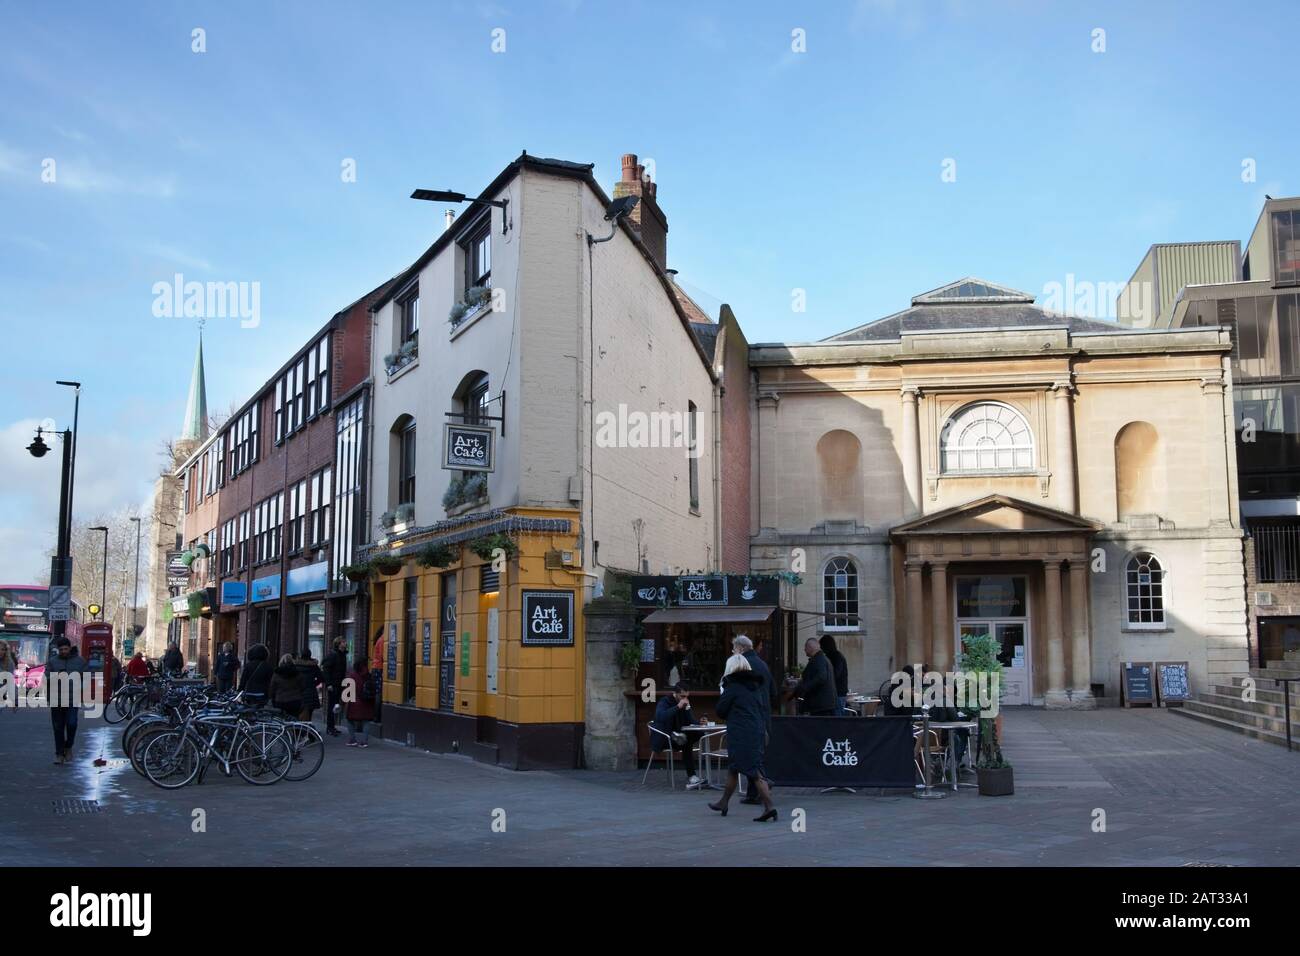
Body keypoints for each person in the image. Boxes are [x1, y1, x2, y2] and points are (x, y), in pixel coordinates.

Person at [708, 654, 778, 822]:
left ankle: (769, 807)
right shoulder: (755, 686)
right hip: (756, 730)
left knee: (753, 772)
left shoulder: (733, 687)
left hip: (741, 733)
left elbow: (720, 711)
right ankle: (723, 802)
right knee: (734, 767)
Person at [732, 634, 776, 805]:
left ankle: (763, 786)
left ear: (741, 648)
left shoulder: (743, 665)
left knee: (752, 756)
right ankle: (753, 793)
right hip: (764, 714)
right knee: (756, 754)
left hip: (750, 716)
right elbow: (772, 691)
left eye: (734, 648)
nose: (733, 652)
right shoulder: (763, 664)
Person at [46, 636, 87, 765]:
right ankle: (59, 754)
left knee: (72, 724)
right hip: (56, 699)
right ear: (58, 650)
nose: (63, 651)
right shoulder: (53, 661)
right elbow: (47, 677)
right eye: (61, 649)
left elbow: (87, 677)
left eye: (65, 649)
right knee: (58, 728)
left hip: (72, 699)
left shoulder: (80, 661)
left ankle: (68, 746)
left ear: (70, 648)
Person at [651, 684, 699, 787]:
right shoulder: (665, 701)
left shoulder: (685, 703)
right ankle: (692, 776)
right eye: (682, 696)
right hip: (664, 738)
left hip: (678, 737)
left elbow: (691, 721)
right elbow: (660, 717)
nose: (685, 699)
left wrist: (701, 723)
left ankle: (680, 737)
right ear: (675, 694)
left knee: (697, 734)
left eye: (686, 696)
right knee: (687, 742)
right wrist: (678, 707)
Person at [791, 637, 838, 716]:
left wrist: (804, 687)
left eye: (805, 647)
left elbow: (821, 677)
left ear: (810, 647)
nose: (804, 649)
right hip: (824, 704)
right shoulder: (822, 659)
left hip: (822, 705)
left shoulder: (819, 660)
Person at [321, 637, 348, 737]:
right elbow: (326, 669)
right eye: (343, 642)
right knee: (332, 706)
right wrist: (328, 684)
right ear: (339, 644)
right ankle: (330, 727)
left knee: (336, 705)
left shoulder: (342, 654)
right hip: (333, 684)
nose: (345, 643)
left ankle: (332, 726)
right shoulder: (333, 655)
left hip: (339, 684)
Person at [346, 656, 375, 747]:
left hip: (355, 702)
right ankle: (364, 741)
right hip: (367, 701)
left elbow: (348, 690)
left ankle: (352, 739)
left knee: (349, 720)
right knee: (366, 721)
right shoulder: (369, 675)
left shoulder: (353, 675)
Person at [820, 634, 850, 715]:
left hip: (838, 692)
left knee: (837, 716)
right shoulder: (834, 656)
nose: (821, 649)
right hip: (837, 692)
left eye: (822, 646)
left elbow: (836, 674)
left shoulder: (836, 657)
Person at [269, 654, 306, 718]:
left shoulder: (277, 673)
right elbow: (303, 687)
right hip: (295, 701)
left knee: (280, 720)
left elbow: (272, 688)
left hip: (280, 700)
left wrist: (272, 699)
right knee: (294, 720)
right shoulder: (297, 673)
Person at [295, 647, 325, 723]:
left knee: (298, 712)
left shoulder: (296, 665)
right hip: (310, 692)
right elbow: (321, 677)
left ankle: (299, 730)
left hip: (298, 691)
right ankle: (307, 729)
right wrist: (314, 684)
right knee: (309, 713)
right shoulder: (314, 666)